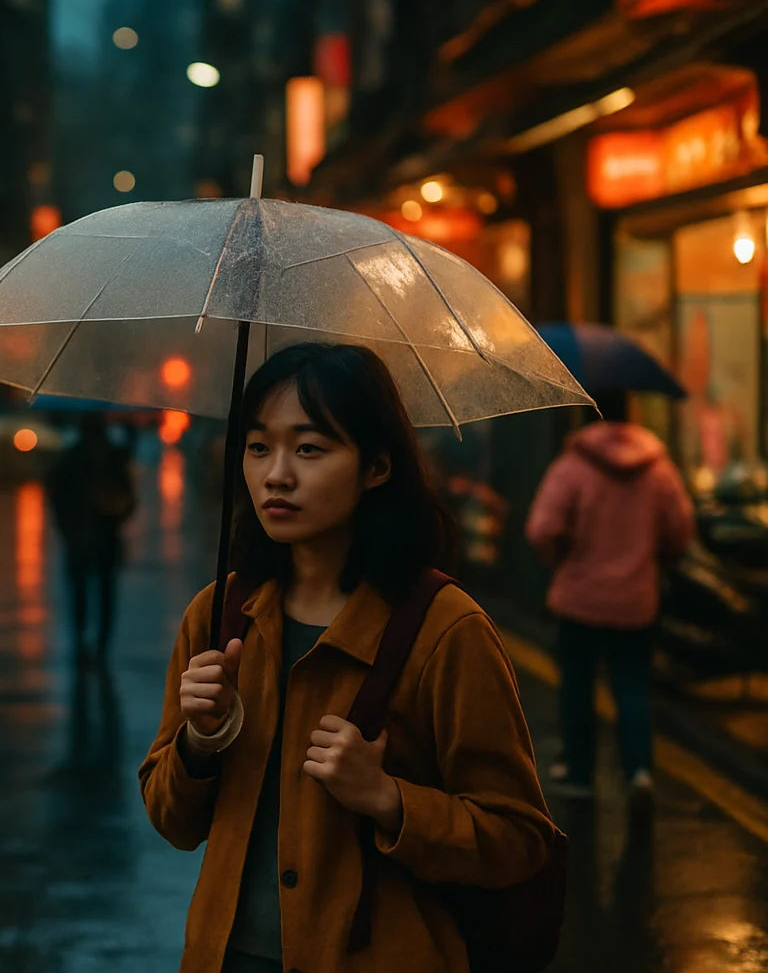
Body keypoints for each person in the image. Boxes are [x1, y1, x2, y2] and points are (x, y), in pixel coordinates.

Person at [139, 343, 556, 973]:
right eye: (258, 447)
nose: (276, 475)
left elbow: (519, 839)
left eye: (309, 449)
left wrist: (388, 799)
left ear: (377, 467)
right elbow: (172, 821)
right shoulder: (220, 615)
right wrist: (199, 743)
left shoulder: (446, 630)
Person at [526, 389, 694, 801]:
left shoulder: (573, 466)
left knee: (577, 686)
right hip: (636, 600)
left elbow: (541, 529)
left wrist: (561, 560)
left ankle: (580, 774)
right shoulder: (658, 468)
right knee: (632, 684)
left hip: (579, 598)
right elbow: (680, 528)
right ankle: (639, 772)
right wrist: (657, 558)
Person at [46, 413, 136, 666]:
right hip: (97, 538)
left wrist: (67, 528)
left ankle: (87, 643)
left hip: (84, 539)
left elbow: (56, 498)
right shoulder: (109, 457)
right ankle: (97, 645)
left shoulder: (72, 458)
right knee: (100, 594)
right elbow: (128, 500)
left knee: (84, 594)